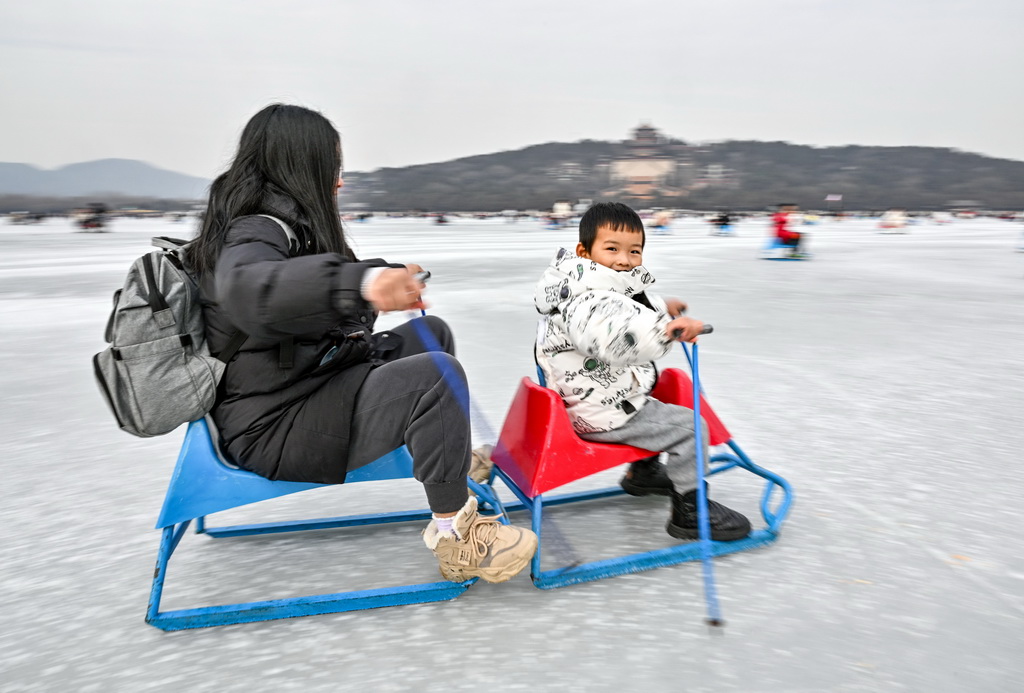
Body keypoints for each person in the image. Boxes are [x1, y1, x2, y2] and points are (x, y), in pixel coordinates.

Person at [187, 104, 536, 583]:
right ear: (300, 163)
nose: (339, 181)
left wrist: (382, 280)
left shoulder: (292, 224)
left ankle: (445, 462)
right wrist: (362, 282)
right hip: (275, 422)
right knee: (434, 375)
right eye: (333, 167)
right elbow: (254, 290)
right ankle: (457, 536)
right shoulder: (254, 227)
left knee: (429, 336)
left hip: (309, 385)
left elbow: (320, 303)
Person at [533, 202, 751, 541]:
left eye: (634, 251)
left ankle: (644, 472)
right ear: (584, 251)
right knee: (689, 428)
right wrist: (667, 330)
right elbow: (617, 333)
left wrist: (663, 308)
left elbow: (627, 306)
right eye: (612, 249)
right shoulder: (584, 304)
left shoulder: (584, 286)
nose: (624, 259)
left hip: (601, 399)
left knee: (662, 401)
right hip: (604, 413)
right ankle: (690, 512)